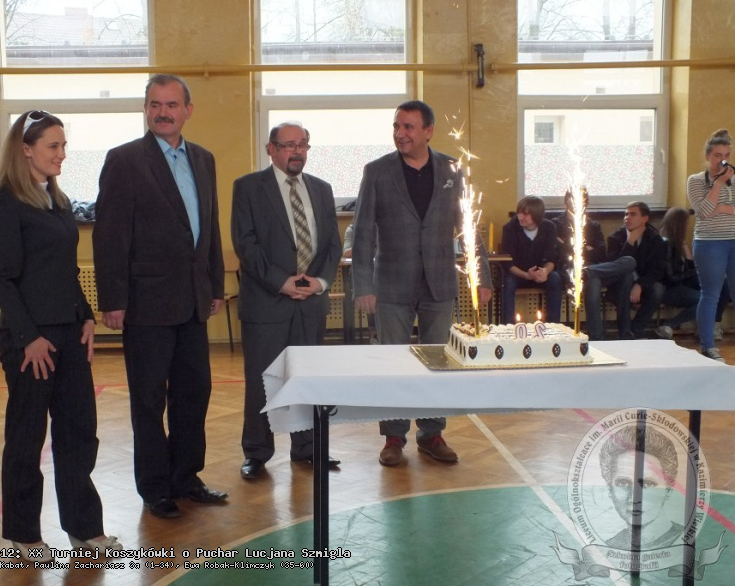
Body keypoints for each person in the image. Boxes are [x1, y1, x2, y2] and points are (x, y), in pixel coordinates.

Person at [0, 110, 121, 560]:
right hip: (31, 342)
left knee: (80, 433)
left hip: (69, 334)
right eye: (53, 146)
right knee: (26, 438)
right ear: (26, 150)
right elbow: (2, 279)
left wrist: (86, 316)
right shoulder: (4, 203)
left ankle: (84, 528)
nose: (62, 154)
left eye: (63, 146)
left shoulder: (56, 201)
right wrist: (29, 337)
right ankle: (24, 536)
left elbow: (65, 270)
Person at [93, 74, 228, 519]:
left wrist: (214, 285)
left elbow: (208, 227)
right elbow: (109, 236)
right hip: (145, 304)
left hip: (193, 301)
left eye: (171, 104)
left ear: (188, 110)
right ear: (145, 109)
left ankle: (186, 477)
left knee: (194, 393)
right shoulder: (124, 160)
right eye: (155, 104)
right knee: (149, 401)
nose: (162, 112)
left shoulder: (204, 159)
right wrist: (113, 299)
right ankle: (154, 488)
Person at [351, 100, 492, 467]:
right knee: (393, 364)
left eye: (408, 127)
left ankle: (432, 434)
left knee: (438, 362)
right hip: (391, 285)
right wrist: (363, 284)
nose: (400, 134)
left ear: (428, 131)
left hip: (439, 284)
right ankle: (393, 437)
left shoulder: (452, 169)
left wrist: (481, 276)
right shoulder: (377, 171)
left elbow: (468, 227)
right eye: (396, 127)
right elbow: (362, 231)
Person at [232, 121, 342, 480]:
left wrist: (320, 282)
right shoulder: (248, 187)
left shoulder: (322, 189)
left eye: (303, 144)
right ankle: (257, 453)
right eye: (289, 145)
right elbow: (245, 243)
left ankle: (307, 448)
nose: (297, 151)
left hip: (310, 303)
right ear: (271, 149)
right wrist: (281, 282)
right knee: (262, 381)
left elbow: (332, 244)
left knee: (307, 379)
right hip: (267, 303)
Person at [686, 128, 735, 361]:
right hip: (709, 243)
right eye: (717, 155)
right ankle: (708, 346)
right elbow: (704, 212)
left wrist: (722, 208)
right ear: (708, 156)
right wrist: (718, 184)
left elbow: (713, 209)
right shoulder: (696, 181)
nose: (722, 160)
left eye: (727, 155)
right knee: (710, 294)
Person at [599, 425, 684, 550]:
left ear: (668, 489)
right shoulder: (606, 547)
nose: (634, 497)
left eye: (647, 484)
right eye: (623, 483)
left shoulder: (687, 540)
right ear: (609, 490)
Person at [654, 207, 731, 340]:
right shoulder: (665, 244)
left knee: (723, 283)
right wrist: (693, 273)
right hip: (670, 287)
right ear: (679, 225)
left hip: (682, 282)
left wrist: (684, 246)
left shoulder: (678, 242)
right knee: (705, 299)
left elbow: (690, 266)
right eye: (686, 224)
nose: (687, 227)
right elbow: (671, 277)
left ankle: (713, 325)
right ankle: (669, 325)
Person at [606, 202, 667, 339]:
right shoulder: (615, 237)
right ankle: (625, 333)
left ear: (645, 218)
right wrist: (630, 243)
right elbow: (615, 267)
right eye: (626, 214)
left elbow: (657, 270)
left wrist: (640, 284)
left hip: (643, 284)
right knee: (626, 279)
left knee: (658, 289)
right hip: (619, 285)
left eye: (633, 214)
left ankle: (636, 330)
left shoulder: (654, 238)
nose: (627, 218)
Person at [500, 195, 563, 324]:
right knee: (508, 282)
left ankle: (553, 326)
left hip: (540, 274)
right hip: (518, 274)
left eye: (525, 214)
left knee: (555, 278)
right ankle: (508, 327)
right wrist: (526, 275)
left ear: (536, 215)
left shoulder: (549, 227)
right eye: (519, 213)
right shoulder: (510, 228)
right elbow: (507, 262)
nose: (520, 217)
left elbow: (552, 257)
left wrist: (545, 272)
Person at [552, 189, 606, 286]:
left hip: (590, 266)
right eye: (573, 197)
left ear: (586, 202)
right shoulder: (554, 224)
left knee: (627, 262)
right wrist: (586, 249)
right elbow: (558, 254)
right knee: (594, 278)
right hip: (566, 268)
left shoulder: (594, 226)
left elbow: (601, 254)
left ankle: (587, 271)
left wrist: (566, 245)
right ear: (566, 200)